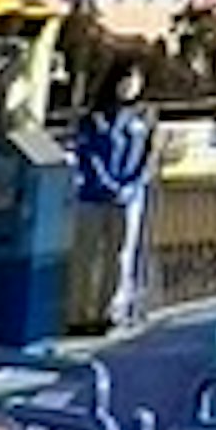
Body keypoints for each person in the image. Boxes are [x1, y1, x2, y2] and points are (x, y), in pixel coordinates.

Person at [65, 58, 158, 333]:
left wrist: (132, 186)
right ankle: (79, 315)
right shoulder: (95, 117)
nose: (130, 86)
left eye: (135, 80)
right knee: (86, 257)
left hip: (129, 200)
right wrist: (108, 185)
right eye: (126, 79)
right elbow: (88, 155)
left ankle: (110, 312)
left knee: (119, 257)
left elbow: (149, 157)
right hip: (93, 197)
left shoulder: (145, 117)